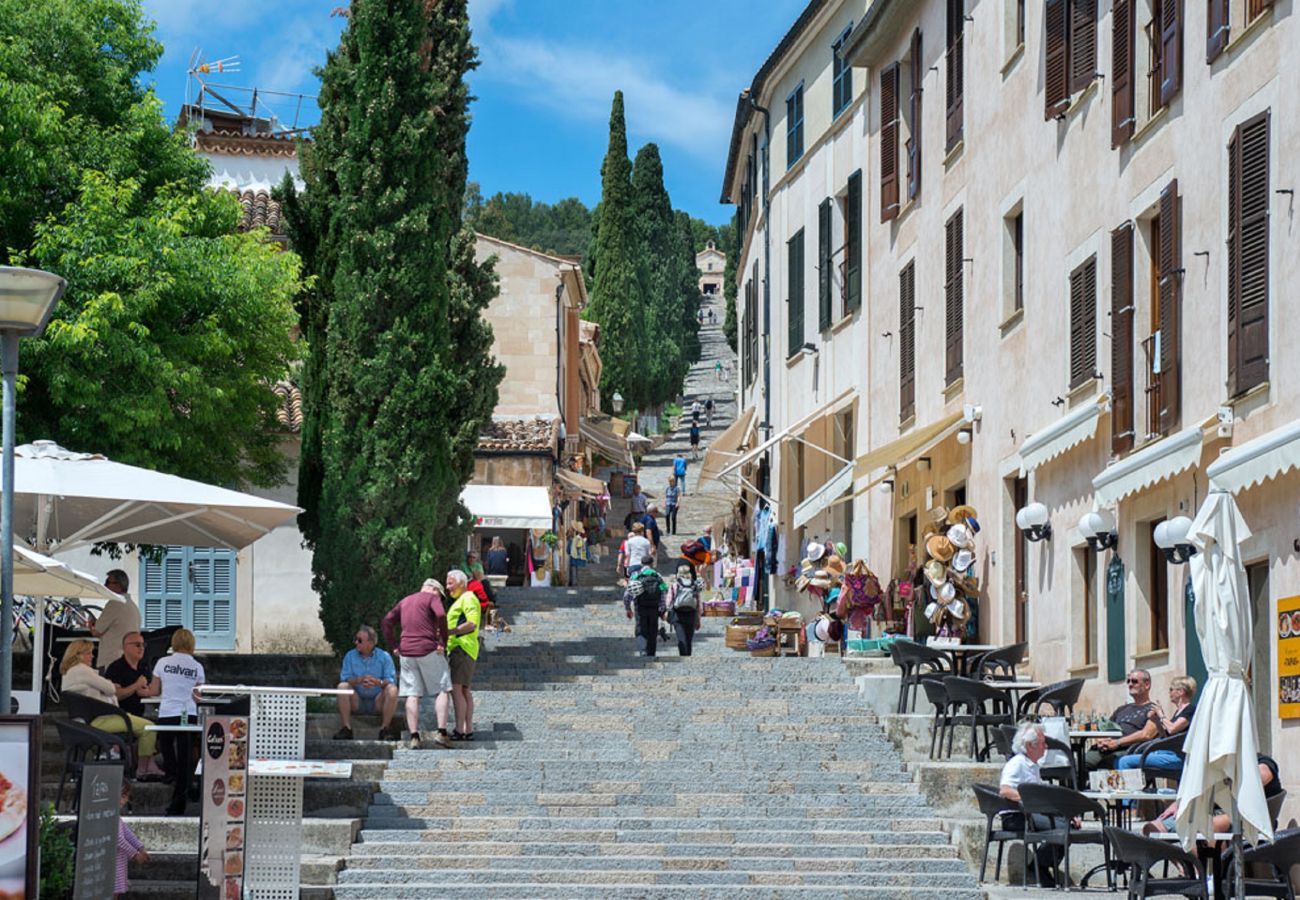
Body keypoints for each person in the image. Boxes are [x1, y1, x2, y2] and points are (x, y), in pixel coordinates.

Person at [60, 640, 164, 778]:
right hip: (100, 720)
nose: (92, 656)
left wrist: (106, 686)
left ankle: (144, 763)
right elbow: (110, 689)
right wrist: (109, 685)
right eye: (88, 653)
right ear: (78, 655)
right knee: (149, 727)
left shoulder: (69, 672)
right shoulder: (82, 670)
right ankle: (144, 767)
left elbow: (102, 689)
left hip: (86, 720)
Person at [382, 578, 452, 749]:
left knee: (412, 694)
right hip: (428, 649)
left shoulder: (405, 600)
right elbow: (442, 615)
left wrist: (394, 645)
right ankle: (442, 733)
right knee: (442, 690)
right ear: (434, 590)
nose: (440, 599)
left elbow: (386, 621)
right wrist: (443, 641)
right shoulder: (432, 598)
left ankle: (414, 737)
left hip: (406, 652)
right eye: (440, 595)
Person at [1000, 722, 1070, 888]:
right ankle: (1040, 866)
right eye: (1043, 743)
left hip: (1032, 813)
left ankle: (1040, 864)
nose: (1046, 747)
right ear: (1031, 746)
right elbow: (1005, 790)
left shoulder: (1033, 766)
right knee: (1063, 828)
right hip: (1017, 815)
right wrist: (1030, 801)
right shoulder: (1016, 763)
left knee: (1069, 824)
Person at [1145, 753, 1283, 835]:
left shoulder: (1259, 760)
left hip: (1245, 814)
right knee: (1152, 828)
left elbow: (1263, 776)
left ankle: (1213, 874)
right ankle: (1186, 868)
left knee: (1206, 825)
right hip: (1212, 811)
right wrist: (1180, 802)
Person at [149, 628, 205, 814]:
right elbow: (198, 697)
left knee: (165, 745)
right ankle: (183, 791)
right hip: (187, 712)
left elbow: (154, 690)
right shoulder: (197, 666)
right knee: (185, 756)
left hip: (167, 712)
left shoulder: (162, 662)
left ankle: (172, 775)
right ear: (191, 644)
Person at [1085, 668, 1164, 771]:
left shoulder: (1153, 709)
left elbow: (1147, 734)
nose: (1130, 684)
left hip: (1130, 750)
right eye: (1128, 681)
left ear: (1147, 685)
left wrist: (1118, 742)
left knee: (1104, 764)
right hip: (1107, 748)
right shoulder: (1122, 709)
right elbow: (1106, 728)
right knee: (1080, 763)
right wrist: (1102, 740)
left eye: (1134, 681)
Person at [1117, 675, 1196, 776]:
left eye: (1171, 690)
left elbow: (1172, 729)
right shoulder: (1178, 711)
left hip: (1176, 756)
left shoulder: (1190, 710)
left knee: (1124, 761)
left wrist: (1161, 714)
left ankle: (1130, 791)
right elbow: (1165, 735)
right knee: (1129, 756)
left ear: (1180, 692)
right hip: (1166, 752)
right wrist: (1157, 720)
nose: (1169, 693)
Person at [334, 625, 400, 741]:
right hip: (356, 700)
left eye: (359, 640)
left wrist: (377, 682)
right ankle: (346, 728)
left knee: (393, 689)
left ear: (370, 642)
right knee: (342, 687)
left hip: (378, 701)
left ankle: (385, 729)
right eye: (356, 639)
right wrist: (358, 680)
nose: (356, 642)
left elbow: (391, 679)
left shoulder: (384, 657)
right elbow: (344, 678)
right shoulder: (350, 656)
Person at [445, 570, 481, 741]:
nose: (447, 587)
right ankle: (467, 729)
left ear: (461, 583)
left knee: (457, 689)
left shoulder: (468, 598)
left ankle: (460, 729)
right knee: (464, 690)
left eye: (450, 583)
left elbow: (472, 623)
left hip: (461, 648)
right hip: (465, 649)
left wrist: (450, 631)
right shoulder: (464, 599)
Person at [91, 569, 140, 670]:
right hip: (127, 659)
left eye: (108, 582)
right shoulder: (133, 606)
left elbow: (97, 631)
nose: (105, 586)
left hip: (111, 660)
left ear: (118, 585)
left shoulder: (115, 604)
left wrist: (90, 625)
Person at [104, 632, 155, 719]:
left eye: (143, 645)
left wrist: (148, 692)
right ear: (125, 647)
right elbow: (115, 695)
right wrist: (136, 685)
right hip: (122, 715)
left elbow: (152, 688)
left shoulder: (144, 666)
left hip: (144, 713)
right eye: (137, 645)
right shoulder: (116, 668)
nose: (141, 648)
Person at [624, 556, 667, 657]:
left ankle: (643, 650)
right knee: (653, 630)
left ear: (641, 564)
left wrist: (628, 608)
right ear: (652, 564)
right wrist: (662, 609)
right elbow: (663, 592)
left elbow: (627, 594)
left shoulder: (636, 575)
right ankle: (651, 653)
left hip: (640, 607)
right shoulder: (658, 576)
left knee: (641, 629)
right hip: (654, 608)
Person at [114, 781, 149, 898]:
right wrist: (135, 854)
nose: (125, 801)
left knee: (116, 892)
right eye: (123, 796)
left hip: (118, 861)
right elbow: (118, 839)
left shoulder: (116, 816)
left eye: (126, 797)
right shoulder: (109, 816)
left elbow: (127, 833)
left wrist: (140, 847)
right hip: (111, 862)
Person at [666, 560, 704, 656]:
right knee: (689, 637)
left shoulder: (675, 585)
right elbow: (699, 603)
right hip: (691, 614)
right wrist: (699, 619)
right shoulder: (694, 585)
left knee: (681, 637)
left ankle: (683, 655)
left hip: (678, 614)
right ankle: (688, 656)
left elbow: (669, 601)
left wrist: (668, 612)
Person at [567, 522, 588, 586]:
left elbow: (568, 550)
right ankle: (577, 582)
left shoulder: (571, 540)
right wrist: (585, 557)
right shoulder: (583, 540)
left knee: (573, 569)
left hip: (573, 559)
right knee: (578, 571)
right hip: (581, 559)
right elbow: (585, 549)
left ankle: (573, 583)